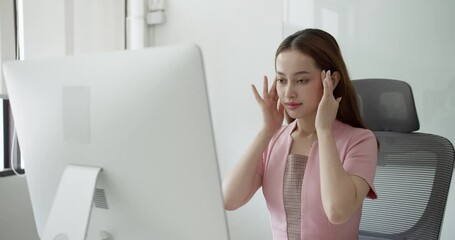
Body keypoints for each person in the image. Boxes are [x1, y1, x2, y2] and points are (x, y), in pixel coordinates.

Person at [222, 28, 378, 240]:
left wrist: (324, 132)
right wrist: (265, 132)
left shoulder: (360, 141)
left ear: (331, 80)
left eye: (301, 80)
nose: (288, 93)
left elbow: (337, 211)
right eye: (282, 80)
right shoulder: (274, 140)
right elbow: (229, 200)